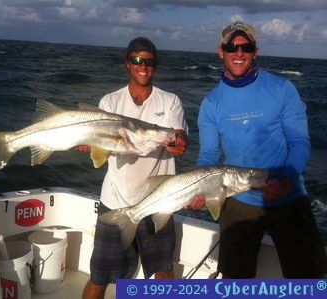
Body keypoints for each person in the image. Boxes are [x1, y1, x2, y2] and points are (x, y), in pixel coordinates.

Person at [190, 21, 327, 278]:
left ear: (255, 51)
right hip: (240, 201)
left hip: (289, 196)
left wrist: (287, 180)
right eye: (232, 47)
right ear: (221, 51)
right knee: (235, 281)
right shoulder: (210, 104)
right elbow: (208, 156)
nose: (239, 53)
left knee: (309, 281)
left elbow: (299, 142)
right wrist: (201, 189)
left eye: (246, 47)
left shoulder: (282, 88)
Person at [78, 37, 188, 298]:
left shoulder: (170, 101)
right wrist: (88, 143)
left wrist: (179, 141)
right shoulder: (110, 101)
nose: (143, 66)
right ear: (127, 63)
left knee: (162, 273)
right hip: (115, 201)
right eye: (137, 60)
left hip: (160, 201)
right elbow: (99, 148)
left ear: (156, 66)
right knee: (99, 276)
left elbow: (179, 135)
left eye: (149, 62)